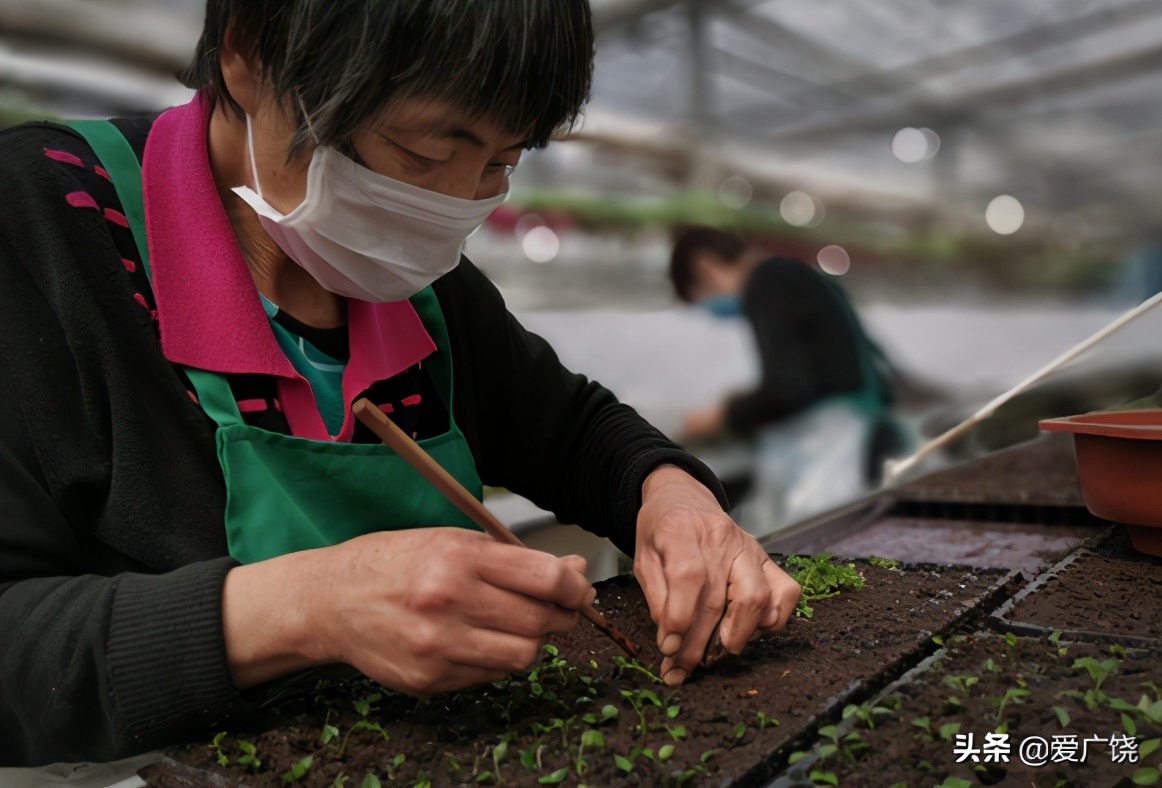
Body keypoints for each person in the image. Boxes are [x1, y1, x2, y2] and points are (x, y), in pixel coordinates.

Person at [0, 1, 801, 768]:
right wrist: (308, 606)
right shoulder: (41, 224)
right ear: (249, 54)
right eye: (421, 153)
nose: (451, 206)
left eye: (501, 162)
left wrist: (672, 498)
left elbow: (571, 430)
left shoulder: (407, 274)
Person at [669, 226, 906, 529]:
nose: (713, 309)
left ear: (705, 268)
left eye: (702, 297)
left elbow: (787, 389)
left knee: (810, 541)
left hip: (828, 442)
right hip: (853, 428)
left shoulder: (768, 283)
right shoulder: (797, 274)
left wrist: (725, 414)